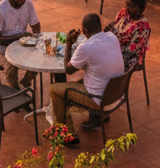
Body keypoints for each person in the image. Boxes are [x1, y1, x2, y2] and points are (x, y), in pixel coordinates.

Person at [49, 11, 126, 146]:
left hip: (99, 99)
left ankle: (66, 136)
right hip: (116, 94)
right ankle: (97, 118)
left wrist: (69, 43)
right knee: (84, 80)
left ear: (84, 30)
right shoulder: (112, 37)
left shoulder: (85, 47)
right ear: (100, 27)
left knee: (55, 90)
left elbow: (68, 70)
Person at [0, 0, 41, 87]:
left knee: (40, 55)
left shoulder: (28, 4)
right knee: (13, 66)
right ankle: (15, 91)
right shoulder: (0, 9)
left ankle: (26, 81)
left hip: (21, 43)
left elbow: (36, 26)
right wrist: (17, 38)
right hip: (3, 46)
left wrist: (36, 39)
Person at [104, 0, 151, 71]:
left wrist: (109, 51)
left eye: (129, 5)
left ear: (137, 8)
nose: (126, 7)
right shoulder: (125, 13)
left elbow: (130, 51)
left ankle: (97, 80)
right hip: (113, 48)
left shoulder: (142, 28)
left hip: (129, 59)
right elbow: (113, 26)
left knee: (97, 58)